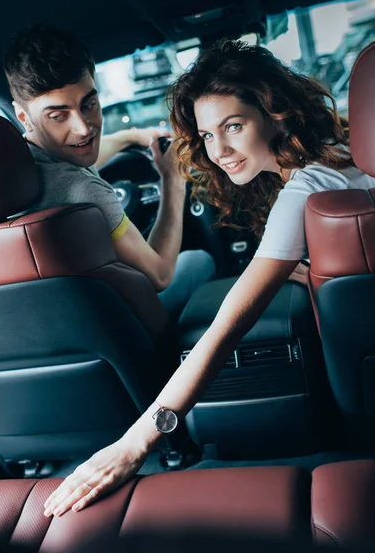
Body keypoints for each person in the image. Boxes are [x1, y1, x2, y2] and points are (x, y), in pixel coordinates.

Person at [42, 38, 375, 517]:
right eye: (206, 135)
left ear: (275, 113)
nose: (219, 150)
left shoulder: (305, 188)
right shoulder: (340, 156)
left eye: (234, 126)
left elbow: (225, 328)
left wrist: (135, 443)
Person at [3, 24, 215, 321]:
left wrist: (130, 136)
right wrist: (173, 180)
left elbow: (85, 155)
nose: (83, 127)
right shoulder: (85, 191)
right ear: (24, 117)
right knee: (198, 260)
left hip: (47, 334)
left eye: (89, 104)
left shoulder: (9, 172)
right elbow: (160, 275)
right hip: (120, 328)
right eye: (58, 116)